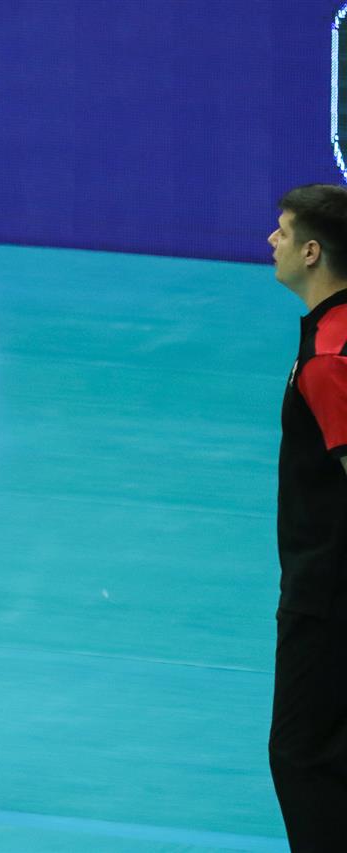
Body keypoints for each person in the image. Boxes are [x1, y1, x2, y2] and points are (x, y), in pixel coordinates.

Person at [265, 183, 347, 851]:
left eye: (284, 231)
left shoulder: (328, 360)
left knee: (303, 757)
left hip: (330, 595)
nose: (273, 240)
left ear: (312, 252)